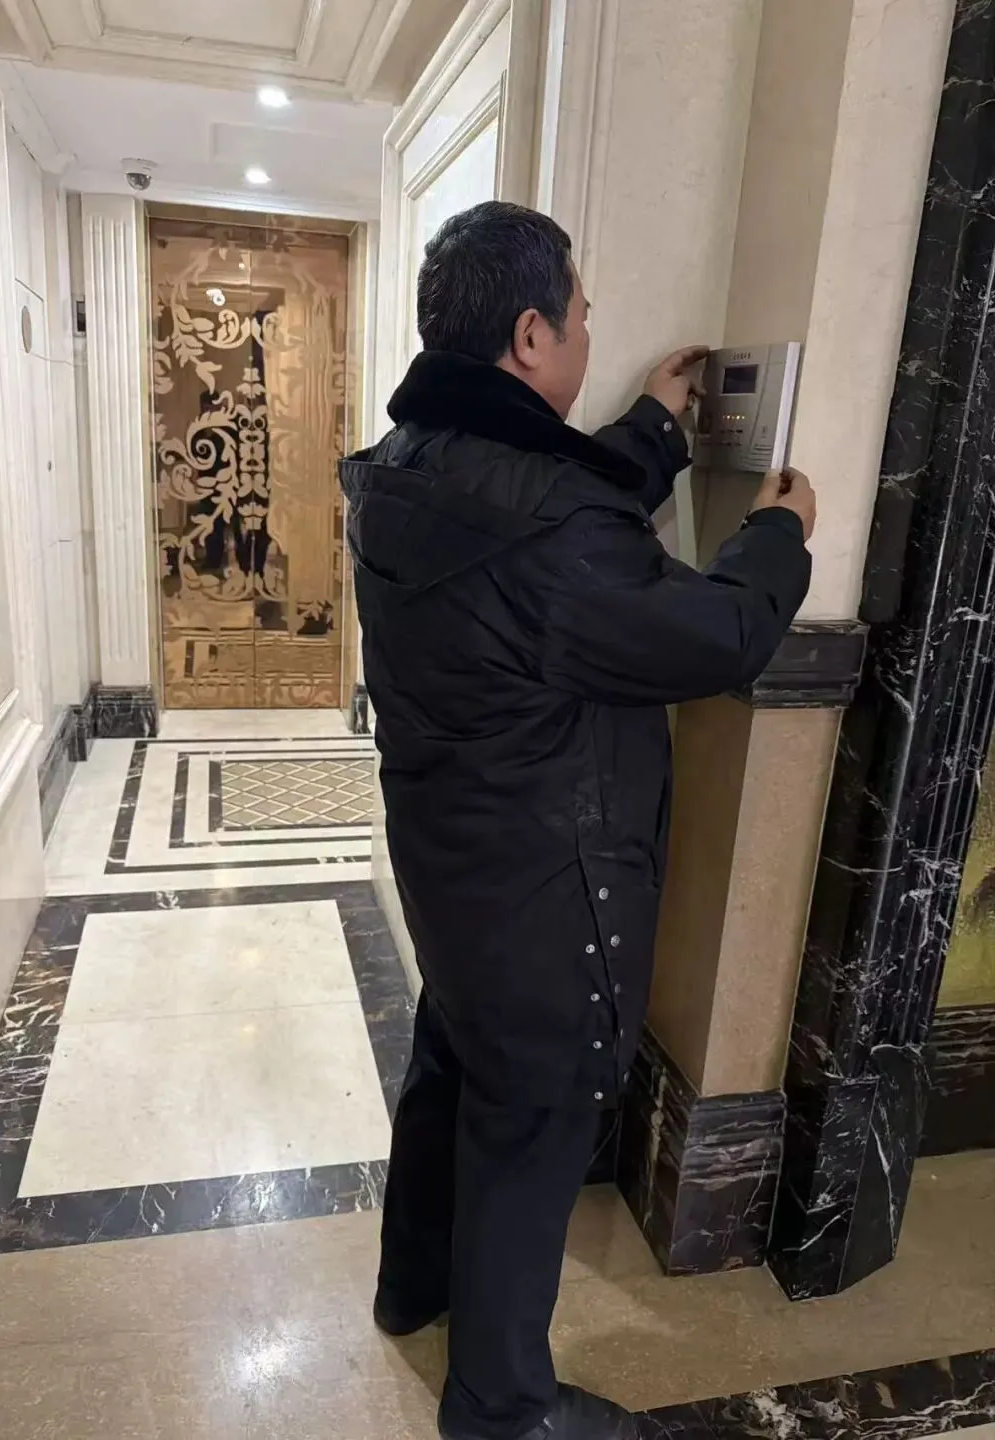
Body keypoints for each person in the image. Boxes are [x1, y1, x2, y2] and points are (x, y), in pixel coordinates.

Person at [338, 201, 815, 1440]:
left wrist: (653, 430)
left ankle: (411, 1287)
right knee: (532, 1122)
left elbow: (541, 529)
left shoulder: (404, 466)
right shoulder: (548, 529)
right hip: (545, 891)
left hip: (452, 866)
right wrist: (779, 534)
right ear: (531, 334)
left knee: (453, 1063)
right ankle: (502, 1409)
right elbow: (719, 633)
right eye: (583, 314)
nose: (594, 331)